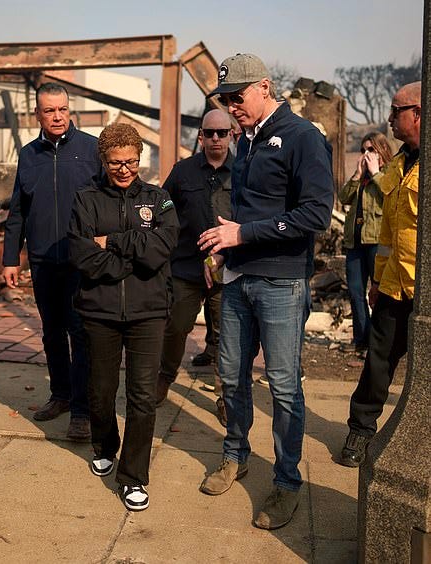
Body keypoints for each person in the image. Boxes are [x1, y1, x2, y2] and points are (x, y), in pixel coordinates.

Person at [197, 53, 334, 530]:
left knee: (282, 386)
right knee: (231, 377)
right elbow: (240, 213)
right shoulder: (247, 142)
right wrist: (224, 250)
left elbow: (315, 214)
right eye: (226, 99)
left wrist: (243, 235)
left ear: (265, 87)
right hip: (238, 277)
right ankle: (235, 456)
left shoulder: (303, 137)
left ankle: (287, 482)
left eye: (238, 96)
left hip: (280, 281)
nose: (232, 106)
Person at [68, 123, 179, 511]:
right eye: (116, 162)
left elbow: (161, 248)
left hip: (148, 313)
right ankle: (104, 445)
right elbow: (81, 255)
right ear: (104, 160)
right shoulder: (85, 199)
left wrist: (114, 242)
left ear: (139, 157)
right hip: (100, 311)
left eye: (131, 160)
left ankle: (133, 477)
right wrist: (130, 261)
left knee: (142, 396)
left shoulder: (159, 199)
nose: (124, 169)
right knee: (99, 390)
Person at [2, 83, 102, 441]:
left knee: (80, 333)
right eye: (49, 111)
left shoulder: (92, 150)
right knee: (51, 332)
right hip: (43, 260)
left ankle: (81, 410)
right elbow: (17, 211)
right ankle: (59, 395)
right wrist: (11, 258)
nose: (57, 116)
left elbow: (108, 202)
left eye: (62, 109)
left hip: (80, 261)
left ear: (69, 109)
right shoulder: (28, 155)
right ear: (38, 114)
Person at [339, 82, 421, 468]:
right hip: (394, 287)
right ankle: (360, 430)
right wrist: (377, 281)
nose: (390, 119)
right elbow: (388, 233)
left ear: (418, 113)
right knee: (378, 360)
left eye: (396, 111)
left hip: (425, 291)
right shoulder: (400, 166)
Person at [156, 109, 233, 427]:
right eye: (210, 133)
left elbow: (252, 216)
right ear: (201, 135)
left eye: (222, 133)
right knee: (176, 327)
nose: (216, 138)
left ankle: (227, 396)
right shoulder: (183, 171)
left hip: (228, 268)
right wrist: (167, 228)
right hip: (187, 266)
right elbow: (163, 202)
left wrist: (227, 253)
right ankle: (163, 378)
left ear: (232, 135)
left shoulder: (244, 172)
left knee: (229, 335)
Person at [338, 132, 392, 356]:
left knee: (378, 292)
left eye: (371, 150)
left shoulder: (388, 174)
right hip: (355, 242)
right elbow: (343, 198)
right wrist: (356, 175)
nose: (366, 154)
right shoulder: (360, 178)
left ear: (381, 152)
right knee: (355, 292)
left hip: (376, 242)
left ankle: (379, 343)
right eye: (363, 150)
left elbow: (390, 195)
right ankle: (362, 341)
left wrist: (376, 173)